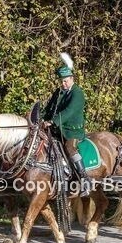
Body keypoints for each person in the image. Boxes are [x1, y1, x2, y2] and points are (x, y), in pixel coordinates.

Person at [43, 52, 91, 197]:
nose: (63, 84)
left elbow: (69, 111)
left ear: (72, 79)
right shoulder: (59, 92)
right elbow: (49, 108)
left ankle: (85, 179)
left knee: (69, 148)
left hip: (73, 132)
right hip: (57, 130)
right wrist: (39, 118)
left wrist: (53, 121)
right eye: (61, 81)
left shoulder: (78, 93)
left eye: (66, 81)